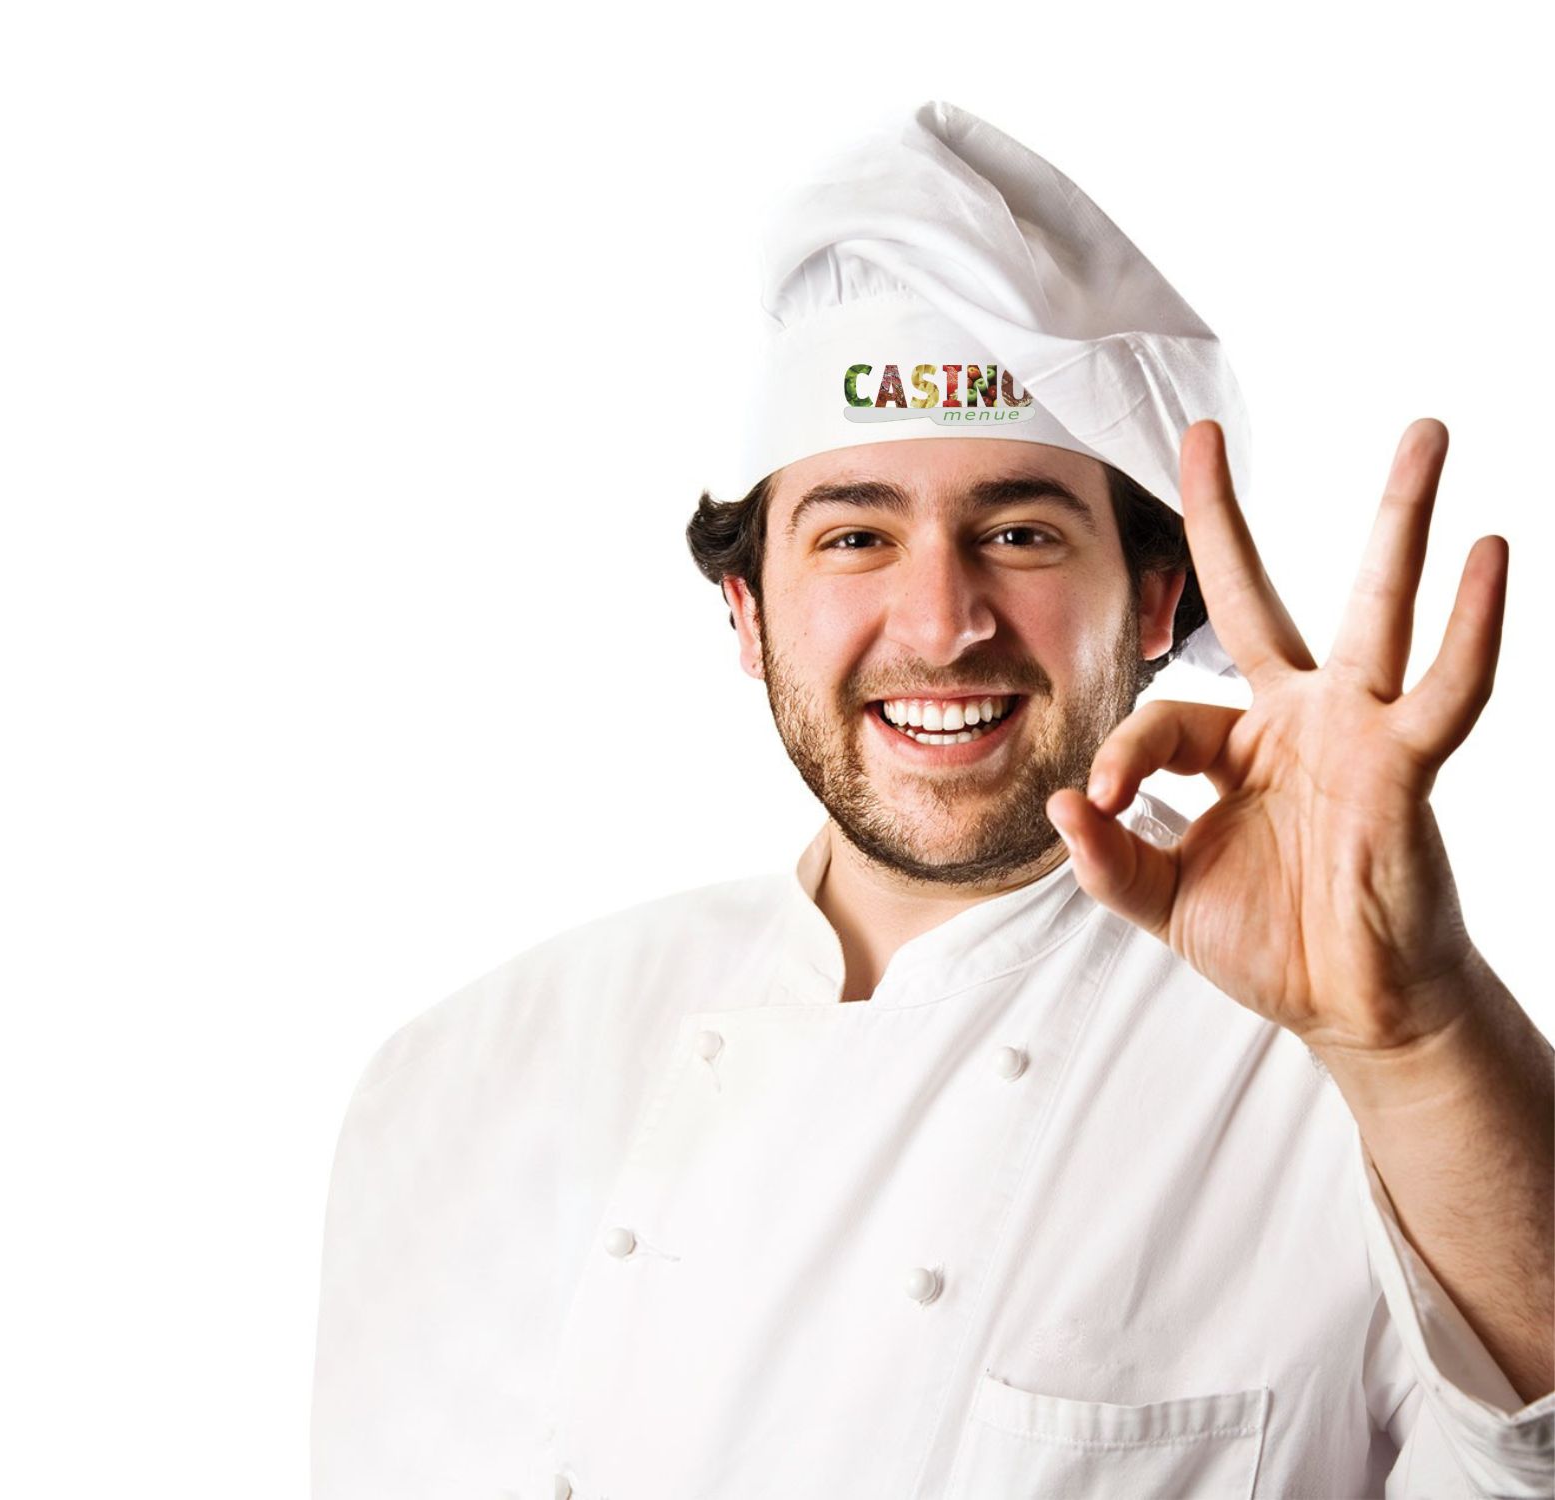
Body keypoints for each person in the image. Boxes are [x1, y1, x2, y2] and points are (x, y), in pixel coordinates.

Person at [309, 101, 1554, 1498]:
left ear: (1155, 601)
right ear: (747, 612)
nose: (942, 621)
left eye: (1019, 532)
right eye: (856, 535)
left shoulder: (1354, 1083)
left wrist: (1419, 1031)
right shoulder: (475, 1077)